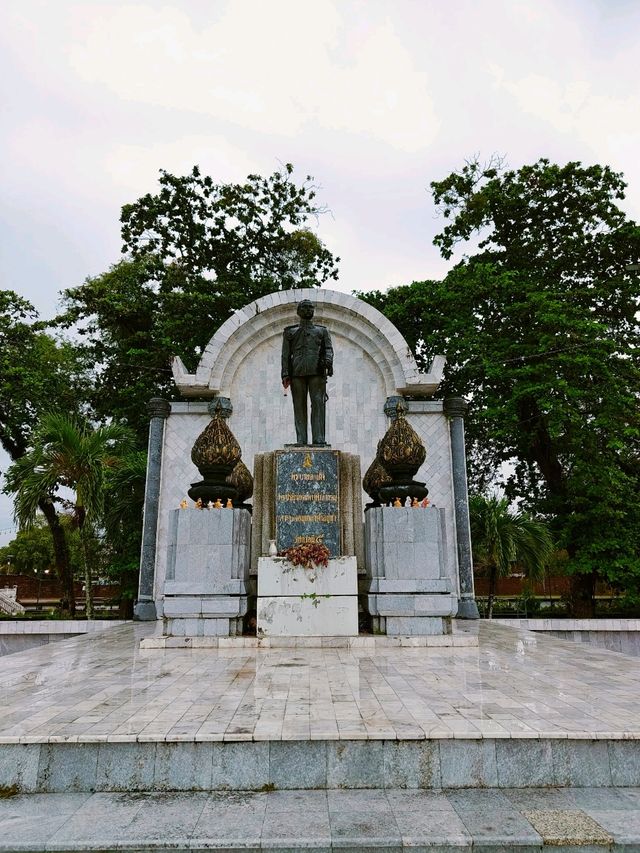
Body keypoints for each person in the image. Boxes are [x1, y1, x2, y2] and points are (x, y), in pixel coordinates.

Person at [281, 300, 333, 446]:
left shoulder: (322, 331)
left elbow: (328, 349)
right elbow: (285, 354)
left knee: (318, 404)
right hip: (296, 372)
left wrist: (328, 360)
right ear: (298, 311)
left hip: (317, 371)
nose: (309, 310)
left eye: (311, 307)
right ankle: (301, 440)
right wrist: (285, 374)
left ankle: (319, 439)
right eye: (305, 307)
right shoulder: (290, 331)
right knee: (299, 406)